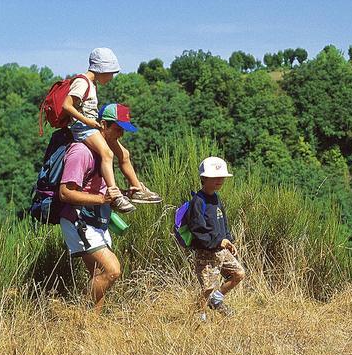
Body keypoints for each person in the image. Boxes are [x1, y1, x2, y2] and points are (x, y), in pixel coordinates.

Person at [60, 47, 162, 213]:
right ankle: (115, 195)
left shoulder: (92, 85)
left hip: (90, 125)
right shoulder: (82, 82)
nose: (112, 77)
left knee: (124, 154)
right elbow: (66, 105)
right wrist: (90, 122)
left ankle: (137, 189)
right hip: (84, 128)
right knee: (108, 154)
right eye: (111, 72)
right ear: (102, 68)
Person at [56, 107, 137, 312]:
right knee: (112, 271)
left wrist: (123, 194)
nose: (121, 135)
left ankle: (90, 325)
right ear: (103, 125)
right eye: (118, 129)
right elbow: (65, 193)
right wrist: (102, 199)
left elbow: (100, 189)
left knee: (99, 275)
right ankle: (77, 314)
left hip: (95, 220)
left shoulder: (103, 155)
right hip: (79, 220)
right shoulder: (81, 152)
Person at [185, 156, 246, 318]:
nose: (219, 180)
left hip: (221, 250)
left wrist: (228, 239)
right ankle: (199, 318)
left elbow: (223, 221)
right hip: (206, 253)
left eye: (221, 177)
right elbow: (197, 229)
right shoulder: (198, 201)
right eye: (215, 177)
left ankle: (216, 301)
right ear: (204, 178)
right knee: (207, 288)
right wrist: (219, 241)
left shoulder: (216, 198)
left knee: (239, 273)